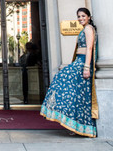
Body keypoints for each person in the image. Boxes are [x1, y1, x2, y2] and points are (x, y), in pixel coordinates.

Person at [40, 7, 98, 137]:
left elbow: (89, 48)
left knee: (62, 78)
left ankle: (74, 122)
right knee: (75, 95)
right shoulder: (84, 29)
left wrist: (87, 67)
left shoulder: (89, 29)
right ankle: (72, 122)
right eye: (79, 16)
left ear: (89, 17)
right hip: (78, 62)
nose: (81, 18)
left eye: (83, 16)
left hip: (82, 63)